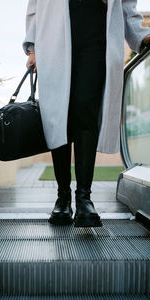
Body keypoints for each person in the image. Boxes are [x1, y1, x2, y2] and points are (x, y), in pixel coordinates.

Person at [24, 0, 150, 228]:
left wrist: (141, 35)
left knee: (86, 110)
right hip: (53, 31)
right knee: (58, 116)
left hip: (97, 26)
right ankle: (63, 198)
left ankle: (84, 199)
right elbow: (36, 4)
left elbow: (126, 5)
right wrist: (32, 47)